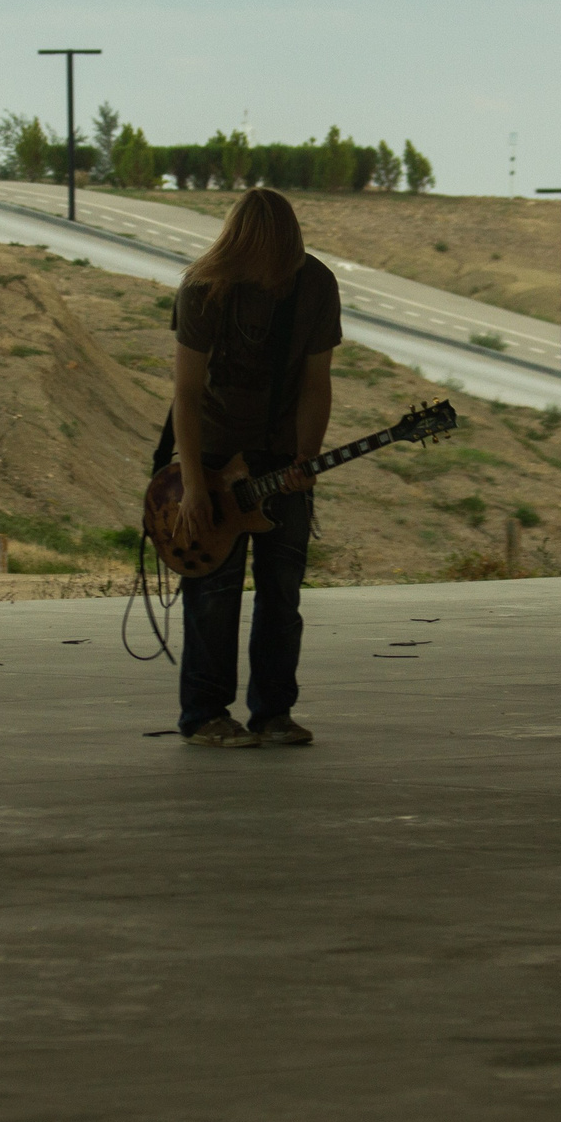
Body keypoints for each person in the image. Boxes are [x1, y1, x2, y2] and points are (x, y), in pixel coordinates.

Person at [166, 188, 343, 748]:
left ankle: (273, 712)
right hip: (214, 457)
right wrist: (194, 484)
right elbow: (186, 394)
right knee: (213, 595)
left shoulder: (314, 285)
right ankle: (205, 715)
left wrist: (306, 455)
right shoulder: (203, 288)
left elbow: (316, 382)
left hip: (281, 457)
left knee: (282, 591)